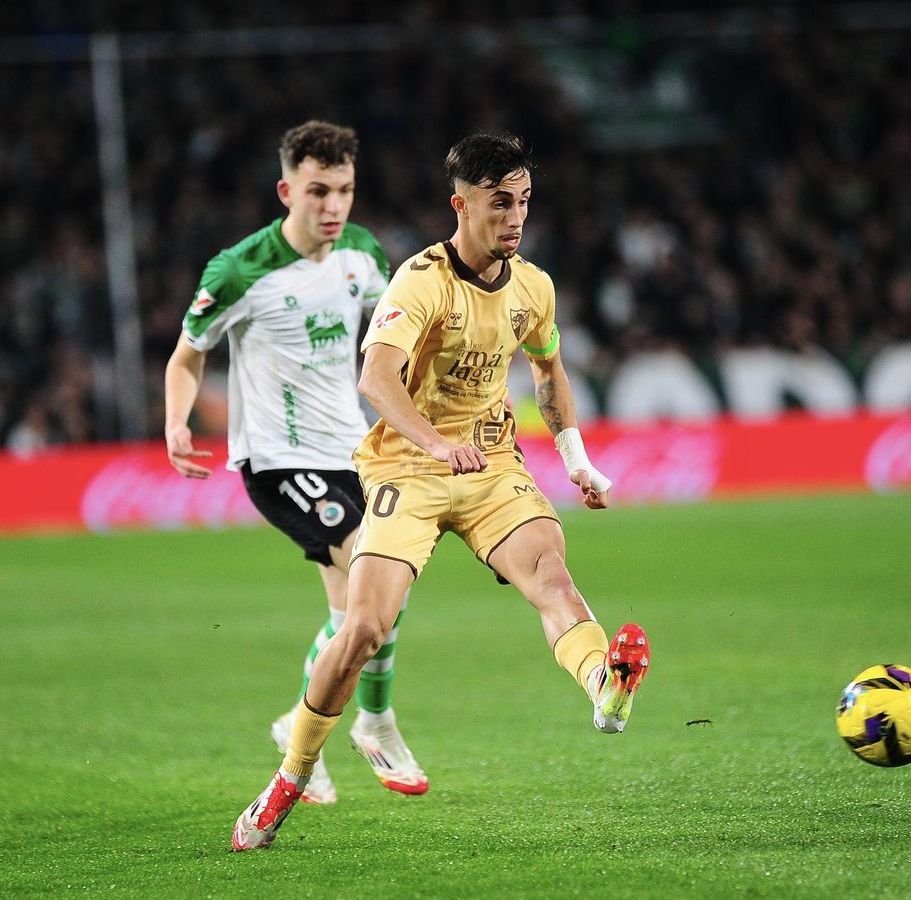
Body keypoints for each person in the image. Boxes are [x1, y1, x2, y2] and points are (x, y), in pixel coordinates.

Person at [232, 133, 651, 851]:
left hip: (489, 466)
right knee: (363, 629)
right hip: (408, 468)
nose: (514, 218)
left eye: (522, 202)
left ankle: (604, 688)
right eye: (498, 204)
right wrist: (431, 442)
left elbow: (548, 374)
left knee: (552, 573)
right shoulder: (420, 281)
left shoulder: (534, 286)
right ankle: (289, 778)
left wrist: (577, 459)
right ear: (462, 205)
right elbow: (376, 378)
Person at [164, 121, 428, 804]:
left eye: (343, 189)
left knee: (362, 619)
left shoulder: (364, 255)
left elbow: (394, 338)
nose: (333, 205)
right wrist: (175, 420)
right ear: (287, 191)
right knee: (379, 571)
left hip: (351, 455)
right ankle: (375, 720)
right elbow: (188, 353)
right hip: (278, 462)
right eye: (318, 191)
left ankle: (297, 721)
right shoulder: (240, 270)